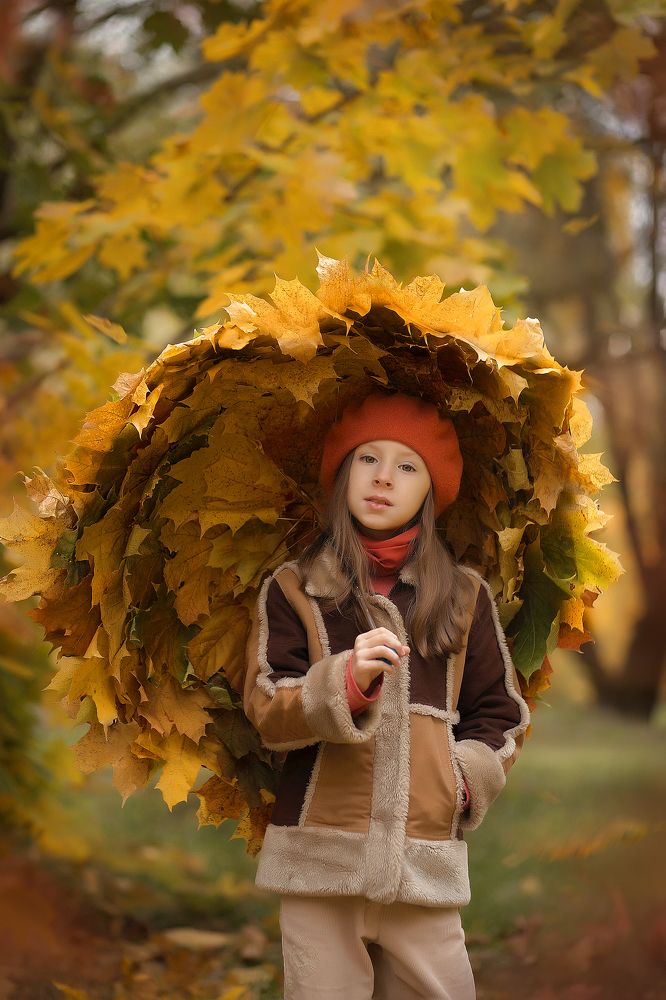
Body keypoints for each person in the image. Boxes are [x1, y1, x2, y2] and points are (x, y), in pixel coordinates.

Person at [240, 392, 531, 999]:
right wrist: (343, 683)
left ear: (430, 490)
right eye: (367, 458)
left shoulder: (463, 596)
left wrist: (461, 781)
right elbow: (268, 705)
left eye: (407, 466)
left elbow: (500, 715)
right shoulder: (297, 589)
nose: (382, 478)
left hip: (423, 854)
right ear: (343, 475)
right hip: (322, 856)